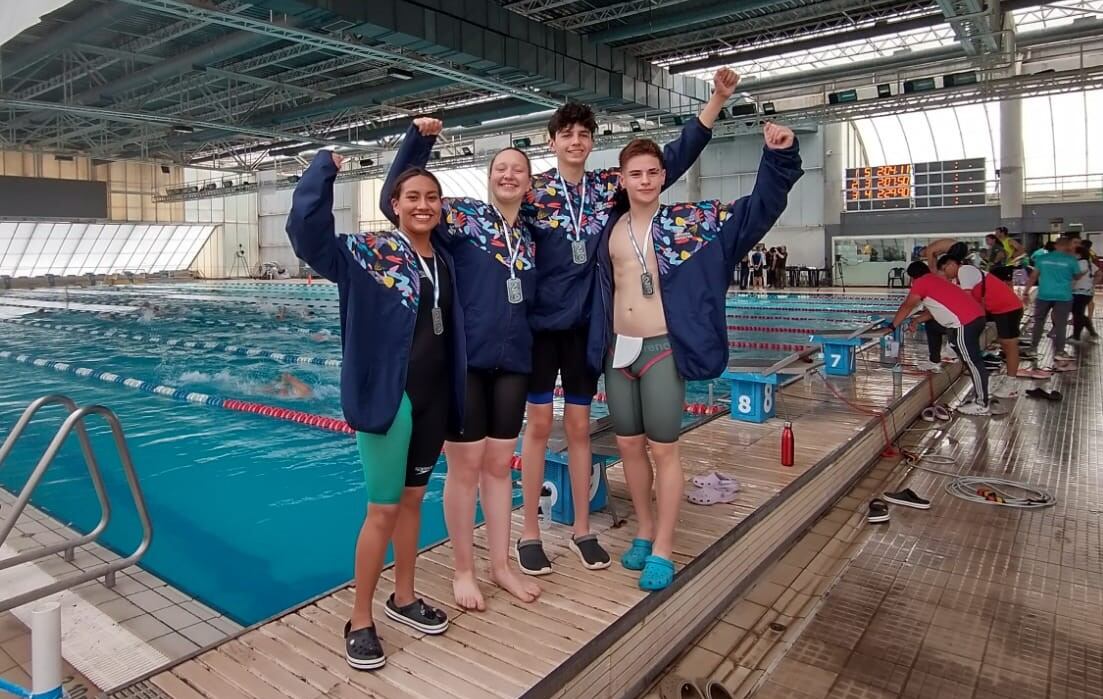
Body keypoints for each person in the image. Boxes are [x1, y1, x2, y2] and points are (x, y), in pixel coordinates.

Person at [516, 67, 739, 577]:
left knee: (577, 427)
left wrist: (714, 104)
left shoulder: (604, 189)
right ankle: (529, 532)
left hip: (586, 332)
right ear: (551, 142)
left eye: (583, 134)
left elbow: (672, 158)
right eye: (566, 134)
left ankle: (582, 532)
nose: (575, 141)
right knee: (537, 428)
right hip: (538, 328)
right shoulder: (533, 194)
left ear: (591, 143)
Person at [587, 123, 804, 590]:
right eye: (635, 173)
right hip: (617, 350)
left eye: (652, 172)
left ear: (663, 177)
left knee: (664, 449)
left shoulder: (692, 224)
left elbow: (757, 213)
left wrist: (778, 158)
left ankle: (664, 547)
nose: (644, 180)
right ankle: (644, 530)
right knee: (627, 446)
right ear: (621, 179)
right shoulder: (607, 230)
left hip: (662, 347)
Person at [287, 153, 466, 671]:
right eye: (412, 197)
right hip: (391, 399)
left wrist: (418, 142)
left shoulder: (445, 258)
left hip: (434, 400)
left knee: (413, 502)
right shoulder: (369, 253)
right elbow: (307, 235)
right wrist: (324, 170)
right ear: (394, 205)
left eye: (432, 197)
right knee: (382, 510)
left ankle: (403, 596)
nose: (423, 205)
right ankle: (360, 618)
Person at [381, 118, 541, 610]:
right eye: (501, 168)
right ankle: (463, 571)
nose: (509, 175)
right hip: (467, 364)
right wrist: (419, 141)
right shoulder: (465, 219)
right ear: (489, 178)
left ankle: (500, 566)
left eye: (518, 169)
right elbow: (401, 197)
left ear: (529, 184)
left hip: (514, 364)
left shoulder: (533, 237)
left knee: (499, 466)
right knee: (465, 468)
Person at [890, 261, 990, 415]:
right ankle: (935, 360)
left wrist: (891, 326)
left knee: (973, 362)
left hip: (964, 323)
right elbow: (933, 312)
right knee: (934, 327)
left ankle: (981, 403)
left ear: (912, 278)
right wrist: (916, 320)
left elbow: (907, 306)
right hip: (976, 317)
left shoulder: (921, 283)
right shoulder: (937, 280)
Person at [937, 255, 1039, 396]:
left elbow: (965, 299)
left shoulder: (965, 271)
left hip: (1008, 309)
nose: (945, 274)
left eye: (944, 270)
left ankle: (1011, 385)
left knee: (1009, 346)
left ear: (951, 264)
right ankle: (953, 348)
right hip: (997, 309)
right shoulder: (961, 277)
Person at [1023, 237, 1083, 362]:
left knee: (1038, 321)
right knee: (1061, 324)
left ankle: (1033, 349)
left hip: (1044, 294)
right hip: (1063, 296)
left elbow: (1034, 276)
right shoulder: (1071, 260)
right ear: (1067, 246)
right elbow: (1077, 276)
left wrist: (1026, 292)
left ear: (1056, 245)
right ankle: (1059, 351)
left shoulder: (1042, 258)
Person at [1070, 244, 1097, 343]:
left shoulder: (1080, 263)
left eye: (1073, 252)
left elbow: (1076, 276)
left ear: (1079, 254)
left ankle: (1076, 337)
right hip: (1087, 292)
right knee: (1079, 314)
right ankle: (1092, 332)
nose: (1072, 254)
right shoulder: (1089, 263)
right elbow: (1099, 274)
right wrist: (1091, 284)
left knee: (1077, 315)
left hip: (1079, 292)